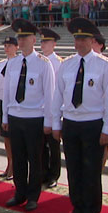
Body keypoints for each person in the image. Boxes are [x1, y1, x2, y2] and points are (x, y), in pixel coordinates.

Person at [52, 17, 108, 213]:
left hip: (93, 124)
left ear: (92, 40)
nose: (79, 43)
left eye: (83, 39)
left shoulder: (105, 65)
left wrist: (107, 128)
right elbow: (58, 95)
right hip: (71, 123)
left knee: (91, 170)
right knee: (73, 168)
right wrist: (56, 123)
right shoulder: (67, 64)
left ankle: (90, 210)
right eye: (76, 38)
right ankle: (77, 206)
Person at [2, 19, 56, 212]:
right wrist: (6, 118)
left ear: (34, 39)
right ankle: (19, 192)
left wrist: (49, 121)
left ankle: (33, 195)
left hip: (35, 118)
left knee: (35, 159)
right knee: (18, 157)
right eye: (19, 37)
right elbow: (7, 92)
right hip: (16, 117)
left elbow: (49, 95)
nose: (21, 41)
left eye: (25, 37)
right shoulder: (13, 63)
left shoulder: (44, 64)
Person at [39, 27, 63, 189]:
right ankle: (42, 173)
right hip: (38, 110)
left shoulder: (59, 63)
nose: (43, 44)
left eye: (46, 42)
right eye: (41, 41)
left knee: (53, 146)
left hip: (53, 111)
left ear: (54, 44)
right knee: (40, 146)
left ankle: (53, 175)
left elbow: (61, 90)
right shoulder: (38, 60)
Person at [0, 36, 19, 179]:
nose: (7, 48)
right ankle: (9, 163)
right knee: (5, 137)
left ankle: (14, 166)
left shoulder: (19, 63)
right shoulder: (2, 63)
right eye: (6, 45)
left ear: (16, 47)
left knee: (13, 137)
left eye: (10, 45)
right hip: (3, 102)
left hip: (13, 103)